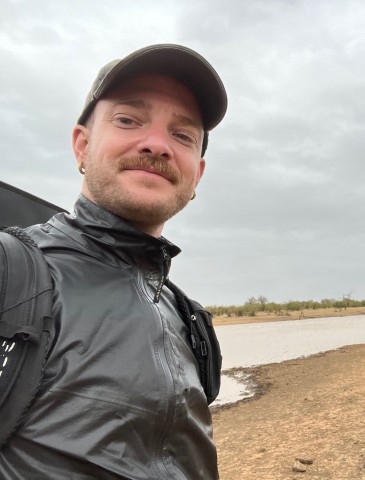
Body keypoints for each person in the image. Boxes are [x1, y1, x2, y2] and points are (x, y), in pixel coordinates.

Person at [0, 44, 227, 479]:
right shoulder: (15, 272)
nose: (157, 145)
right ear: (82, 146)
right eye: (128, 120)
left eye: (182, 135)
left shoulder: (185, 316)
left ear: (196, 174)